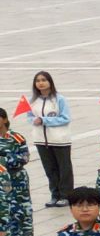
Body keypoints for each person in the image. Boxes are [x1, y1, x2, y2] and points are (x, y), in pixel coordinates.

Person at [27, 73, 73, 206]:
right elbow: (30, 117)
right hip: (41, 140)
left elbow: (65, 118)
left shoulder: (59, 99)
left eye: (44, 80)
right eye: (38, 81)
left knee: (64, 169)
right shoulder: (33, 101)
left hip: (59, 139)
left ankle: (66, 195)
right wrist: (34, 120)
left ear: (50, 82)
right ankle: (55, 194)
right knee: (50, 169)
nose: (41, 83)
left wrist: (44, 120)